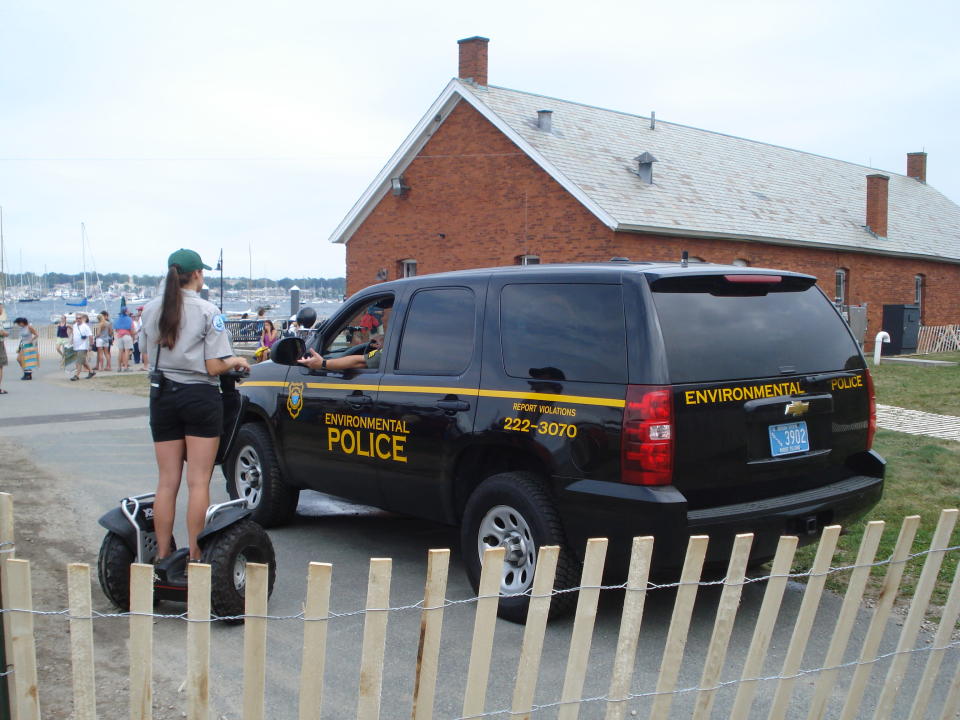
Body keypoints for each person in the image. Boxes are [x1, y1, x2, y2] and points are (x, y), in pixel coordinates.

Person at [140, 248, 250, 563]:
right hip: (199, 396)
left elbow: (148, 355)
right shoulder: (207, 310)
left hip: (162, 395)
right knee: (198, 480)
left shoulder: (149, 310)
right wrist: (238, 360)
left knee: (167, 480)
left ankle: (162, 554)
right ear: (197, 275)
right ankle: (197, 556)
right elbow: (215, 366)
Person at [298, 335, 382, 372]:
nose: (382, 318)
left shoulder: (382, 354)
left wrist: (323, 363)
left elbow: (359, 362)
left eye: (384, 314)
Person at [70, 313, 95, 380]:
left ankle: (76, 375)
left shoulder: (85, 326)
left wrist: (90, 345)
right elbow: (74, 334)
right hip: (76, 346)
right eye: (77, 318)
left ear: (82, 319)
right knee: (83, 361)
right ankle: (91, 371)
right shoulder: (75, 325)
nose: (78, 319)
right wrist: (71, 341)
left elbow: (90, 336)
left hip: (83, 346)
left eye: (79, 318)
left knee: (79, 361)